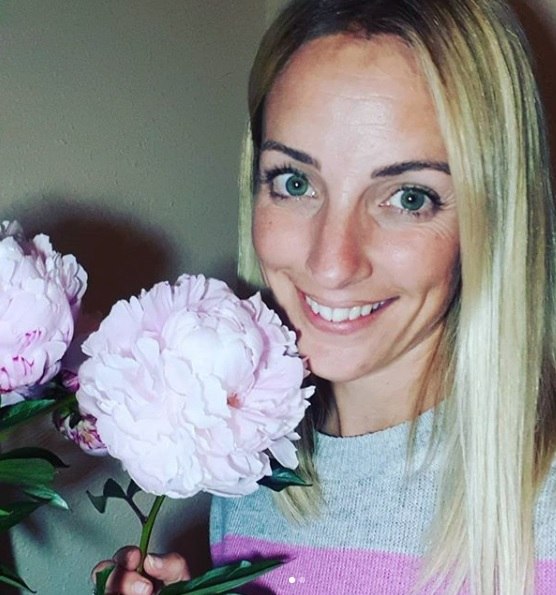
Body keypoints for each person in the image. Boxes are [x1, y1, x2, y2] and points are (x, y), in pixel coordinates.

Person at [93, 0, 556, 593]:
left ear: (494, 215)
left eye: (409, 197)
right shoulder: (248, 476)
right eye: (295, 182)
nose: (331, 264)